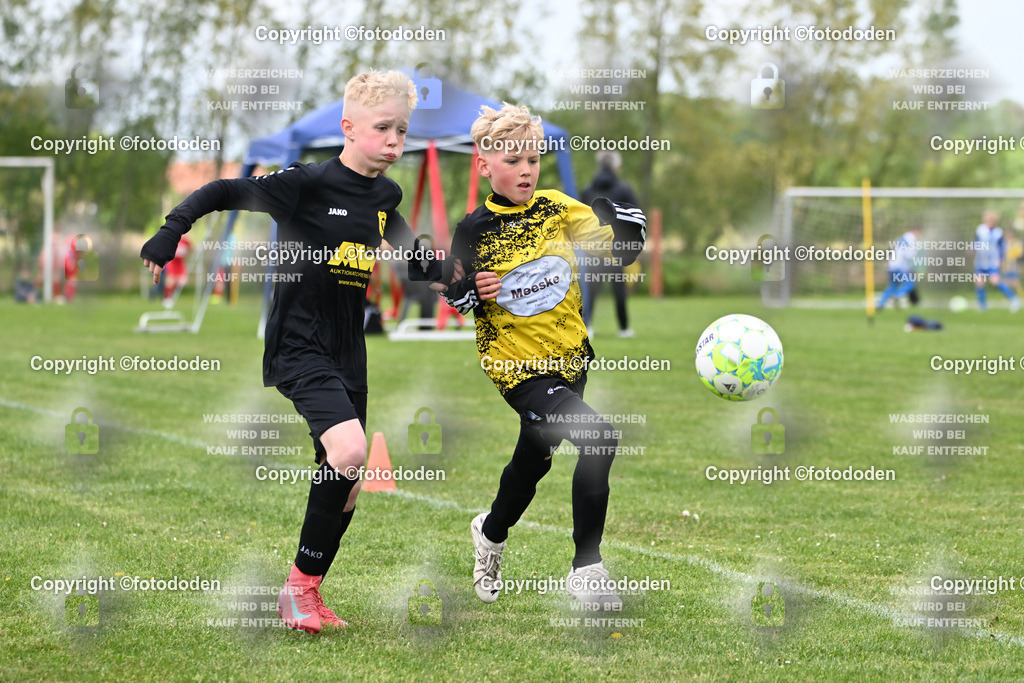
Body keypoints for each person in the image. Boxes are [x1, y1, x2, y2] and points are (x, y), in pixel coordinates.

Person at [140, 70, 441, 634]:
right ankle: (296, 592)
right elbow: (225, 190)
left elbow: (408, 251)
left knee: (346, 481)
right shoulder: (305, 183)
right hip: (299, 342)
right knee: (351, 451)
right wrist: (172, 229)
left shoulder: (386, 195)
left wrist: (455, 277)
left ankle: (310, 592)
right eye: (383, 129)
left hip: (349, 349)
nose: (395, 141)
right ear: (349, 128)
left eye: (402, 130)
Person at [437, 104, 645, 610]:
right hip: (516, 368)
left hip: (571, 358)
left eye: (533, 159)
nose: (527, 169)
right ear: (485, 165)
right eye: (514, 160)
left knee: (534, 461)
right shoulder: (474, 230)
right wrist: (472, 291)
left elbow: (620, 253)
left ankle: (489, 533)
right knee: (599, 437)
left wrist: (627, 226)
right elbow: (453, 294)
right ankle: (586, 569)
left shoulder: (558, 208)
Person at [580, 150, 639, 337]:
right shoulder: (624, 190)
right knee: (619, 288)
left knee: (591, 289)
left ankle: (585, 327)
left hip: (594, 248)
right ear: (616, 167)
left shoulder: (588, 190)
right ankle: (623, 329)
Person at [972, 210, 1019, 312]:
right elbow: (975, 241)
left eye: (991, 220)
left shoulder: (998, 233)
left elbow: (1002, 247)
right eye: (987, 220)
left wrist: (1001, 259)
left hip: (992, 261)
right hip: (980, 261)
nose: (989, 222)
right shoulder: (980, 230)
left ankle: (1013, 298)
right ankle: (982, 306)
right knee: (979, 282)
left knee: (995, 281)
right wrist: (972, 248)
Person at [876, 225, 922, 310]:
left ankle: (881, 304)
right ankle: (897, 295)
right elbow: (909, 255)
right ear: (916, 231)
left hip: (891, 265)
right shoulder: (911, 239)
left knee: (892, 286)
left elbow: (894, 249)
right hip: (898, 266)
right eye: (920, 233)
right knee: (910, 283)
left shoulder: (902, 238)